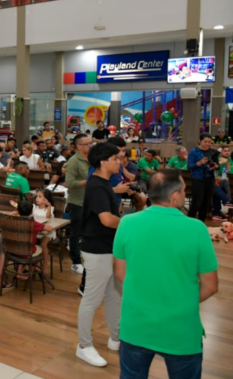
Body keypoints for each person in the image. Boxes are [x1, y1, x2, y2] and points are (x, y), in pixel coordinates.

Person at [113, 169, 218, 379]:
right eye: (183, 190)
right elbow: (210, 286)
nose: (184, 193)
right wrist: (181, 298)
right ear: (175, 196)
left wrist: (147, 292)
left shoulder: (127, 222)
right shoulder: (197, 229)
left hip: (136, 325)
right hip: (180, 329)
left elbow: (120, 272)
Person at [75, 142, 122, 367]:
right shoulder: (96, 186)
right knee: (91, 300)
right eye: (115, 159)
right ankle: (84, 346)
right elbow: (107, 219)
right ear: (103, 162)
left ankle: (116, 338)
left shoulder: (104, 183)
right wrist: (132, 223)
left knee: (114, 295)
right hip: (97, 249)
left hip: (110, 247)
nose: (119, 162)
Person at [65, 133, 91, 275]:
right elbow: (69, 183)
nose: (90, 146)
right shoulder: (73, 161)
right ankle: (75, 262)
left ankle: (86, 255)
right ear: (79, 146)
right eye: (87, 144)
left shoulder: (91, 159)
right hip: (77, 202)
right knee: (76, 232)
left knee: (88, 231)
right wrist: (88, 181)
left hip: (90, 200)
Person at [187, 133, 218, 222]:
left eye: (209, 142)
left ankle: (201, 223)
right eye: (205, 141)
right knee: (197, 202)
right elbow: (189, 166)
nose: (207, 144)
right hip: (197, 179)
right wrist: (199, 163)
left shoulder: (213, 152)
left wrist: (215, 166)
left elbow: (217, 166)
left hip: (210, 179)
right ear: (200, 141)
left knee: (206, 203)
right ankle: (189, 222)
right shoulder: (194, 152)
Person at [212, 146, 231, 221]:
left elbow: (228, 171)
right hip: (215, 181)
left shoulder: (229, 159)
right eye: (225, 151)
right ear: (220, 152)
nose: (227, 152)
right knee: (217, 186)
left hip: (224, 181)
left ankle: (216, 213)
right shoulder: (217, 159)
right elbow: (218, 172)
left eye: (228, 151)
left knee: (216, 191)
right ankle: (227, 201)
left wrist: (227, 163)